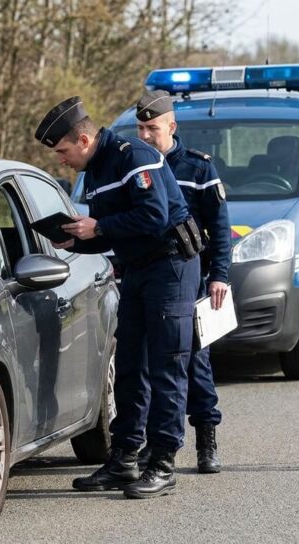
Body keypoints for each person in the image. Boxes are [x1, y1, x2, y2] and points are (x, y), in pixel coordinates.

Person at [34, 96, 200, 499]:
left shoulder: (131, 156)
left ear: (85, 139)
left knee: (165, 364)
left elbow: (153, 216)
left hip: (171, 267)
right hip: (139, 268)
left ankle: (162, 462)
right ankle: (124, 457)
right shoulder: (96, 169)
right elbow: (112, 232)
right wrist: (75, 238)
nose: (61, 160)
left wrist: (98, 226)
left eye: (63, 151)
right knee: (129, 366)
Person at [133, 90, 231, 474]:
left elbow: (220, 229)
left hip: (190, 277)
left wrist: (220, 276)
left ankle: (206, 437)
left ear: (171, 127)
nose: (144, 135)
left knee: (194, 360)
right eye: (140, 127)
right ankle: (154, 442)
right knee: (147, 363)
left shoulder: (197, 168)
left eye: (152, 127)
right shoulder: (134, 168)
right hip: (147, 277)